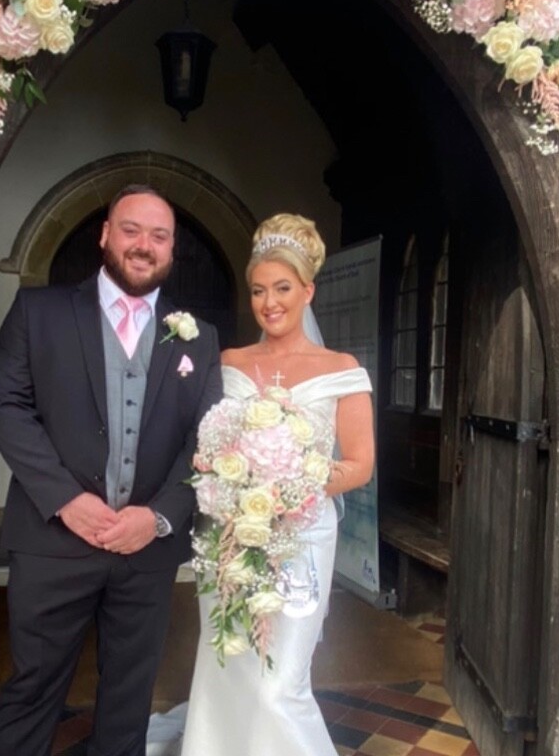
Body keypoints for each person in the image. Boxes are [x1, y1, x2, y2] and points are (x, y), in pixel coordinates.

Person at [0, 184, 223, 756]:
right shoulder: (38, 312)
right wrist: (67, 499)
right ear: (105, 234)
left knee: (129, 698)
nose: (144, 245)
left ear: (171, 250)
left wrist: (161, 517)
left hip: (147, 553)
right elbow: (5, 406)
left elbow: (209, 438)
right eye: (131, 229)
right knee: (34, 684)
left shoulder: (201, 336)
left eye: (159, 236)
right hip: (51, 540)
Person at [181, 212, 374, 756]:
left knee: (277, 686)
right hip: (230, 536)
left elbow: (359, 464)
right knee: (227, 664)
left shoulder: (342, 370)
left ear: (308, 290)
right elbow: (210, 446)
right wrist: (224, 472)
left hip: (302, 542)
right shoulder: (229, 363)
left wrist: (291, 480)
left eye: (283, 288)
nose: (270, 303)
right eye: (259, 290)